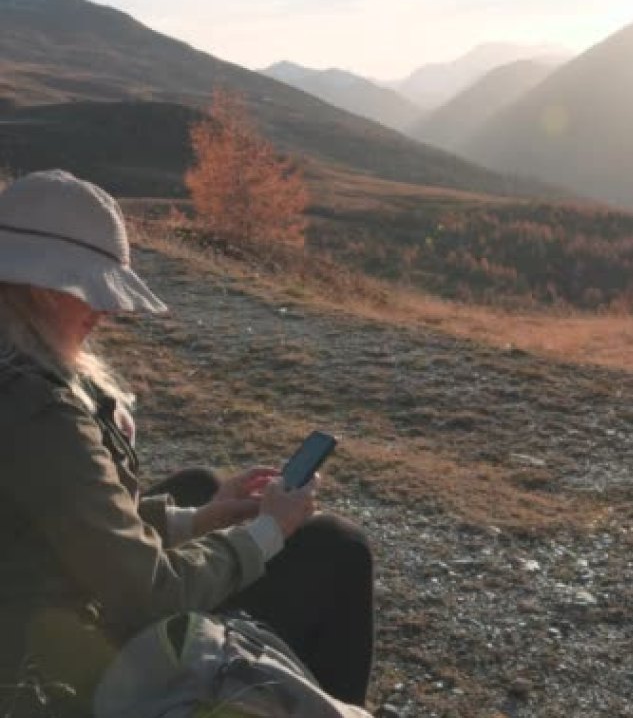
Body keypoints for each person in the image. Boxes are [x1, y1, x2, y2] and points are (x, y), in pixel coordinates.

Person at [0, 170, 375, 717]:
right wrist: (269, 530)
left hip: (37, 615)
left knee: (199, 488)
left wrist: (201, 519)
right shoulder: (36, 411)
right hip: (51, 675)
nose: (105, 311)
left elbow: (49, 529)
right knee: (335, 550)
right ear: (40, 287)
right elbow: (149, 592)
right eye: (90, 290)